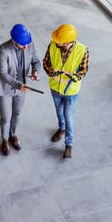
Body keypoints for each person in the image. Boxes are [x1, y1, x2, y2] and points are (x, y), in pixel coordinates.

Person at [0, 24, 41, 156]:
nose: (26, 47)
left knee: (17, 113)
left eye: (27, 44)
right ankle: (5, 140)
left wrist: (35, 71)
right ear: (13, 41)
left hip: (21, 88)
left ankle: (13, 134)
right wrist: (19, 85)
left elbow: (36, 61)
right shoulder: (2, 50)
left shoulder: (29, 44)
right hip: (5, 88)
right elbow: (3, 74)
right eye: (22, 45)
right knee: (6, 116)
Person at [43, 23, 89, 158]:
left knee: (69, 117)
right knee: (59, 111)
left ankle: (69, 144)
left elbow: (83, 70)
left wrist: (75, 77)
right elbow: (46, 62)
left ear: (68, 42)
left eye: (60, 41)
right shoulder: (52, 45)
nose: (56, 43)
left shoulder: (82, 50)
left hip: (71, 92)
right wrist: (51, 72)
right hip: (55, 88)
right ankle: (61, 129)